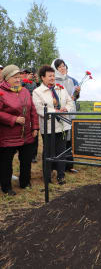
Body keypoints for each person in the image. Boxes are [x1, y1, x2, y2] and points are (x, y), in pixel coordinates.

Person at [0, 65, 39, 195]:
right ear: (6, 78)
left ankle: (25, 182)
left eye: (19, 77)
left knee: (26, 160)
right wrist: (13, 119)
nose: (18, 80)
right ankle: (6, 187)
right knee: (6, 163)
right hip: (8, 135)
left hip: (26, 134)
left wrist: (35, 127)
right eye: (15, 77)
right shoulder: (1, 92)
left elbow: (32, 109)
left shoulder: (24, 91)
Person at [33, 65, 75, 185]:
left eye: (53, 76)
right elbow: (40, 109)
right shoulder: (37, 92)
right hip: (48, 127)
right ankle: (47, 176)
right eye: (50, 76)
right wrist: (55, 111)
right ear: (42, 77)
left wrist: (66, 109)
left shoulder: (60, 88)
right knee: (48, 152)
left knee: (62, 151)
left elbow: (69, 101)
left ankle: (61, 176)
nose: (52, 78)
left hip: (63, 126)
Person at [52, 59, 80, 172]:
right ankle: (55, 166)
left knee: (69, 139)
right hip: (59, 113)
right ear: (55, 68)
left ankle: (69, 165)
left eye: (64, 66)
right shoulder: (52, 80)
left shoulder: (70, 80)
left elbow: (74, 97)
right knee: (59, 139)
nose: (63, 68)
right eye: (60, 67)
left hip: (70, 112)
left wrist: (77, 93)